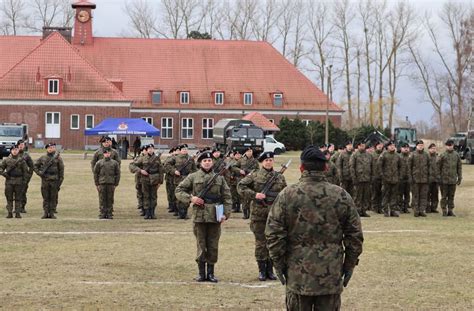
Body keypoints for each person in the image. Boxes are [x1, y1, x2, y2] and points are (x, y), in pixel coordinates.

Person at [265, 145, 363, 311]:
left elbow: (274, 234)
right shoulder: (340, 195)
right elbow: (354, 236)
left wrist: (279, 264)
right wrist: (349, 265)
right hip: (330, 274)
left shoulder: (287, 195)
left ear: (302, 167)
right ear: (325, 167)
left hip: (298, 274)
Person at [175, 151, 232, 283]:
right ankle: (201, 273)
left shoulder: (220, 178)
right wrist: (191, 198)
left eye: (209, 161)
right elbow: (179, 190)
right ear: (200, 163)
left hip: (215, 215)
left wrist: (226, 214)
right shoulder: (193, 177)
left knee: (213, 245)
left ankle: (211, 273)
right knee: (201, 244)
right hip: (199, 216)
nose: (207, 162)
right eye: (205, 161)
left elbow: (227, 197)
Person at [237, 151, 287, 281]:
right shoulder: (255, 175)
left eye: (271, 160)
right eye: (266, 160)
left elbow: (285, 193)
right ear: (261, 162)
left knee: (273, 242)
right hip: (259, 214)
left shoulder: (279, 177)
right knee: (261, 242)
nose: (269, 162)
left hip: (275, 215)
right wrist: (254, 195)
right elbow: (240, 186)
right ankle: (261, 270)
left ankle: (270, 270)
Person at [129, 144, 164, 219]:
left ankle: (152, 213)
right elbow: (132, 165)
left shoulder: (157, 158)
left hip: (155, 179)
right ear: (146, 150)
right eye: (149, 149)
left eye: (152, 148)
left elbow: (161, 170)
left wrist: (160, 181)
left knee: (153, 196)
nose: (150, 150)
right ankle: (147, 213)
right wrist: (140, 170)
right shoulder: (142, 158)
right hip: (145, 179)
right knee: (146, 196)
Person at [33, 143, 64, 219]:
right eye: (49, 148)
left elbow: (61, 171)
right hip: (45, 180)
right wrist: (39, 173)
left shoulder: (58, 158)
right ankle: (46, 213)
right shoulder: (43, 158)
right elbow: (35, 166)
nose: (51, 149)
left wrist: (59, 182)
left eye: (52, 147)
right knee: (45, 197)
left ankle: (52, 213)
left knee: (53, 197)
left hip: (54, 180)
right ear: (47, 149)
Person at [0, 144, 29, 218]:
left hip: (19, 181)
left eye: (16, 150)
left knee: (18, 198)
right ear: (11, 151)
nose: (15, 151)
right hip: (9, 181)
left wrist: (25, 181)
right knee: (9, 198)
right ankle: (9, 213)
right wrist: (4, 174)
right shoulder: (6, 160)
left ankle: (17, 213)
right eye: (13, 150)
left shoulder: (22, 161)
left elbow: (25, 172)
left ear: (18, 150)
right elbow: (1, 168)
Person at [169, 144, 197, 219]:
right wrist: (174, 171)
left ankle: (184, 213)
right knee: (178, 197)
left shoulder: (190, 159)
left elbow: (194, 169)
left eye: (186, 149)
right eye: (183, 149)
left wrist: (193, 176)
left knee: (187, 196)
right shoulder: (175, 158)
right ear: (180, 150)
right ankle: (180, 213)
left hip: (188, 179)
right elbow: (167, 165)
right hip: (178, 179)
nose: (185, 150)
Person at [230, 147, 259, 219]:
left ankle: (251, 213)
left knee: (251, 197)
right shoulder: (241, 160)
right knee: (243, 198)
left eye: (250, 151)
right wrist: (239, 171)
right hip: (243, 180)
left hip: (252, 180)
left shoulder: (255, 161)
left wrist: (251, 172)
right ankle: (245, 213)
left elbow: (258, 170)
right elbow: (233, 167)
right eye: (248, 151)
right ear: (245, 152)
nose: (249, 152)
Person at [94, 149, 121, 219]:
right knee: (102, 198)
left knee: (110, 198)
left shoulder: (114, 163)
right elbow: (96, 173)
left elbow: (118, 174)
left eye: (108, 153)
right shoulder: (99, 163)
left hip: (111, 183)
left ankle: (109, 213)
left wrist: (116, 184)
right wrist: (97, 184)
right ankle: (102, 213)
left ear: (110, 154)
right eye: (105, 153)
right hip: (102, 183)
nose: (107, 154)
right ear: (103, 154)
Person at [438, 140, 462, 217]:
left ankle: (450, 210)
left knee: (451, 196)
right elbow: (438, 167)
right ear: (446, 146)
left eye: (451, 145)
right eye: (448, 145)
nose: (449, 147)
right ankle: (444, 210)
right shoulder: (442, 155)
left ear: (453, 145)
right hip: (444, 180)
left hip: (452, 180)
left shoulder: (456, 155)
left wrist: (459, 177)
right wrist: (439, 178)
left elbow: (459, 167)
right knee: (444, 196)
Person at [378, 141, 401, 217]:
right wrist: (382, 176)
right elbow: (379, 166)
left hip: (395, 179)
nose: (392, 147)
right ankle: (385, 210)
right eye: (391, 146)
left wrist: (399, 176)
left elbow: (400, 167)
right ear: (387, 147)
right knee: (386, 195)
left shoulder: (397, 155)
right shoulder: (383, 155)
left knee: (394, 195)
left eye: (393, 145)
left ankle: (393, 210)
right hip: (386, 179)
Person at [349, 141, 372, 217]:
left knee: (365, 196)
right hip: (358, 178)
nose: (363, 147)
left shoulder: (368, 155)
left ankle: (363, 210)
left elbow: (371, 166)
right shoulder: (354, 155)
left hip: (367, 178)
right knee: (357, 196)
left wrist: (371, 176)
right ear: (358, 146)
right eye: (361, 146)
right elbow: (352, 167)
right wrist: (354, 178)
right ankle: (357, 211)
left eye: (363, 145)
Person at [408, 140, 430, 217]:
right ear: (416, 146)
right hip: (415, 179)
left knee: (423, 196)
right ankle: (416, 210)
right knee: (415, 195)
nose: (421, 147)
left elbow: (429, 166)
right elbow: (409, 167)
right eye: (419, 145)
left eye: (422, 145)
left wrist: (429, 177)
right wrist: (410, 178)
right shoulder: (412, 155)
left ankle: (422, 210)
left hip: (424, 179)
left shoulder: (426, 155)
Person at [17, 139, 34, 213]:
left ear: (24, 146)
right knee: (15, 193)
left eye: (22, 145)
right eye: (20, 145)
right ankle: (16, 207)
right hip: (14, 178)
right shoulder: (13, 153)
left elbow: (32, 166)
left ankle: (22, 207)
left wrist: (29, 175)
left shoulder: (26, 155)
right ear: (17, 145)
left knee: (23, 192)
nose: (21, 146)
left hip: (24, 178)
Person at [129, 146, 147, 216]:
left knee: (146, 193)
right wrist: (139, 170)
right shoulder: (139, 158)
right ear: (142, 151)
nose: (146, 151)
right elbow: (132, 167)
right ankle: (142, 206)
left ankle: (146, 208)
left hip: (148, 179)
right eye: (145, 150)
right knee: (140, 193)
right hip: (139, 178)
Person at [371, 141, 385, 213]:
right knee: (375, 193)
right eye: (378, 145)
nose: (380, 146)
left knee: (382, 193)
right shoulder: (372, 155)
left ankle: (381, 208)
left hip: (383, 177)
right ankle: (375, 207)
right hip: (375, 176)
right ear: (375, 146)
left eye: (380, 145)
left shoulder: (384, 154)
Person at [427, 143, 440, 213]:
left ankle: (434, 208)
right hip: (428, 179)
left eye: (434, 148)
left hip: (436, 179)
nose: (433, 150)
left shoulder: (438, 158)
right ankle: (427, 208)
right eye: (432, 148)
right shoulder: (426, 157)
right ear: (429, 149)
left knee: (435, 195)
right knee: (427, 194)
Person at [398, 143, 411, 213]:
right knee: (400, 194)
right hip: (400, 178)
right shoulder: (398, 157)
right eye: (404, 147)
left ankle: (406, 207)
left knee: (407, 194)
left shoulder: (410, 157)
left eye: (407, 148)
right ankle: (400, 207)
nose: (406, 149)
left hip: (408, 178)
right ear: (401, 148)